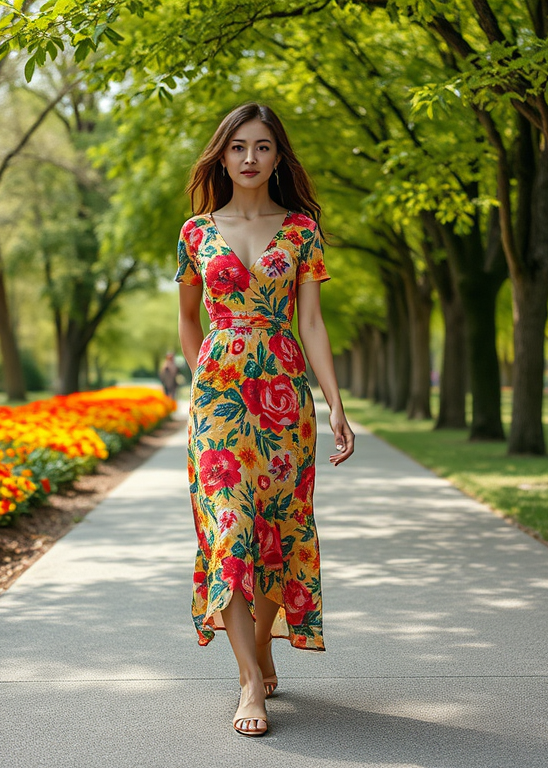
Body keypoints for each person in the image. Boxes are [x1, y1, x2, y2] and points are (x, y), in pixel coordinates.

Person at [175, 102, 355, 737]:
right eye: (238, 147)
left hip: (283, 401)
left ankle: (263, 643)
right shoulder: (196, 232)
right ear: (221, 156)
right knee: (229, 530)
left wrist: (335, 404)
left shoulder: (301, 231)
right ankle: (249, 677)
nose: (250, 158)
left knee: (279, 530)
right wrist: (204, 381)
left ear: (279, 157)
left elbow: (312, 323)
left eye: (263, 147)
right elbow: (189, 317)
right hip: (219, 405)